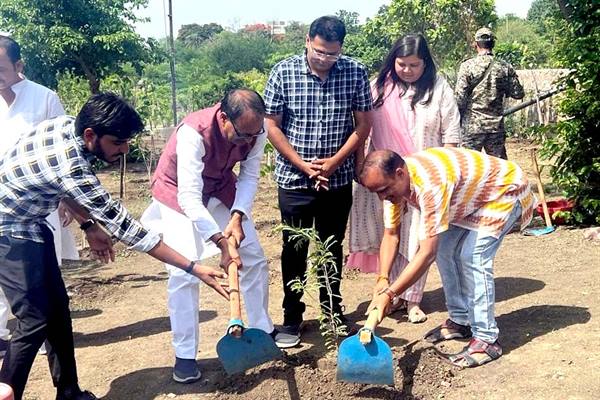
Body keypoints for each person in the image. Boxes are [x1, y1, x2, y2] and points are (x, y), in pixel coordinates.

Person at [0, 92, 229, 400]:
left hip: (31, 223)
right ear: (91, 135)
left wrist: (88, 224)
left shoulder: (65, 126)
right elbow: (130, 231)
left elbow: (57, 184)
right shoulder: (73, 167)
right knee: (34, 318)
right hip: (9, 230)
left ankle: (69, 392)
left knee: (56, 313)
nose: (124, 150)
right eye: (118, 142)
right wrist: (192, 266)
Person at [141, 89, 281, 383]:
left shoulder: (257, 129)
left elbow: (250, 175)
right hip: (177, 192)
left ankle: (260, 330)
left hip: (219, 187)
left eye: (252, 136)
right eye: (241, 135)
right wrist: (221, 243)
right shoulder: (194, 133)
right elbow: (190, 197)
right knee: (184, 273)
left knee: (253, 255)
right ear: (223, 117)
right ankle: (185, 356)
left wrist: (237, 216)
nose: (247, 141)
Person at [361, 147, 535, 368]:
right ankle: (461, 320)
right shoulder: (392, 188)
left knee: (473, 257)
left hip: (504, 190)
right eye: (376, 192)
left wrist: (390, 294)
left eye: (384, 190)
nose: (382, 197)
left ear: (399, 173)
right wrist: (382, 279)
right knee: (446, 251)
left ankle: (487, 340)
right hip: (470, 198)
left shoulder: (429, 183)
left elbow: (426, 253)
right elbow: (391, 234)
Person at [263, 15, 373, 346]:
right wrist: (304, 166)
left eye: (333, 54)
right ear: (308, 41)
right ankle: (292, 319)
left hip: (337, 179)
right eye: (320, 52)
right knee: (294, 249)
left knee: (331, 246)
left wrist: (334, 163)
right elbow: (272, 126)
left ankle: (332, 313)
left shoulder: (354, 72)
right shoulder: (283, 72)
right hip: (294, 180)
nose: (325, 59)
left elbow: (363, 125)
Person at [346, 34, 460, 323]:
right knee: (392, 235)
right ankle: (393, 294)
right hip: (386, 178)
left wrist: (443, 172)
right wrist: (362, 169)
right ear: (392, 61)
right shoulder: (377, 88)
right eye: (402, 64)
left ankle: (412, 300)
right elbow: (362, 129)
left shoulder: (438, 90)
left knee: (418, 239)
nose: (407, 70)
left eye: (414, 65)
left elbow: (451, 137)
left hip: (423, 179)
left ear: (426, 64)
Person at [0, 34, 79, 357]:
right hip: (2, 204)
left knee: (40, 276)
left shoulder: (44, 98)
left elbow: (63, 150)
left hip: (38, 204)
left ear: (19, 65)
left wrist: (66, 200)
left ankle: (44, 335)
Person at [455, 27, 525, 159]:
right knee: (499, 169)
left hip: (472, 127)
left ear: (476, 44)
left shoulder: (467, 66)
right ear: (493, 44)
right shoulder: (505, 67)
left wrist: (457, 121)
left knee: (469, 167)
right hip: (495, 128)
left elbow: (460, 99)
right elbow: (518, 93)